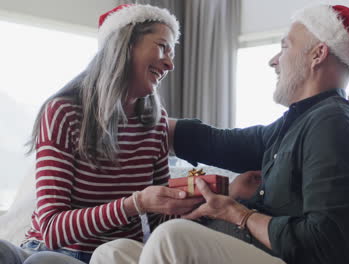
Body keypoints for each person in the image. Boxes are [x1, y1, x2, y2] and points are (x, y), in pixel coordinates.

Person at [90, 4, 349, 264]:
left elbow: (325, 246)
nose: (274, 60)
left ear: (318, 54)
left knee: (172, 238)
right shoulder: (294, 124)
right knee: (112, 254)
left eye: (284, 46)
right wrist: (115, 116)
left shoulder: (334, 125)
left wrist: (238, 214)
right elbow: (217, 143)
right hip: (256, 249)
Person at [0, 4, 204, 264]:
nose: (170, 64)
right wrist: (134, 203)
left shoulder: (156, 122)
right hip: (51, 250)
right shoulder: (64, 112)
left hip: (114, 256)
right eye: (162, 46)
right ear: (126, 45)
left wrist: (214, 195)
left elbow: (158, 219)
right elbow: (52, 229)